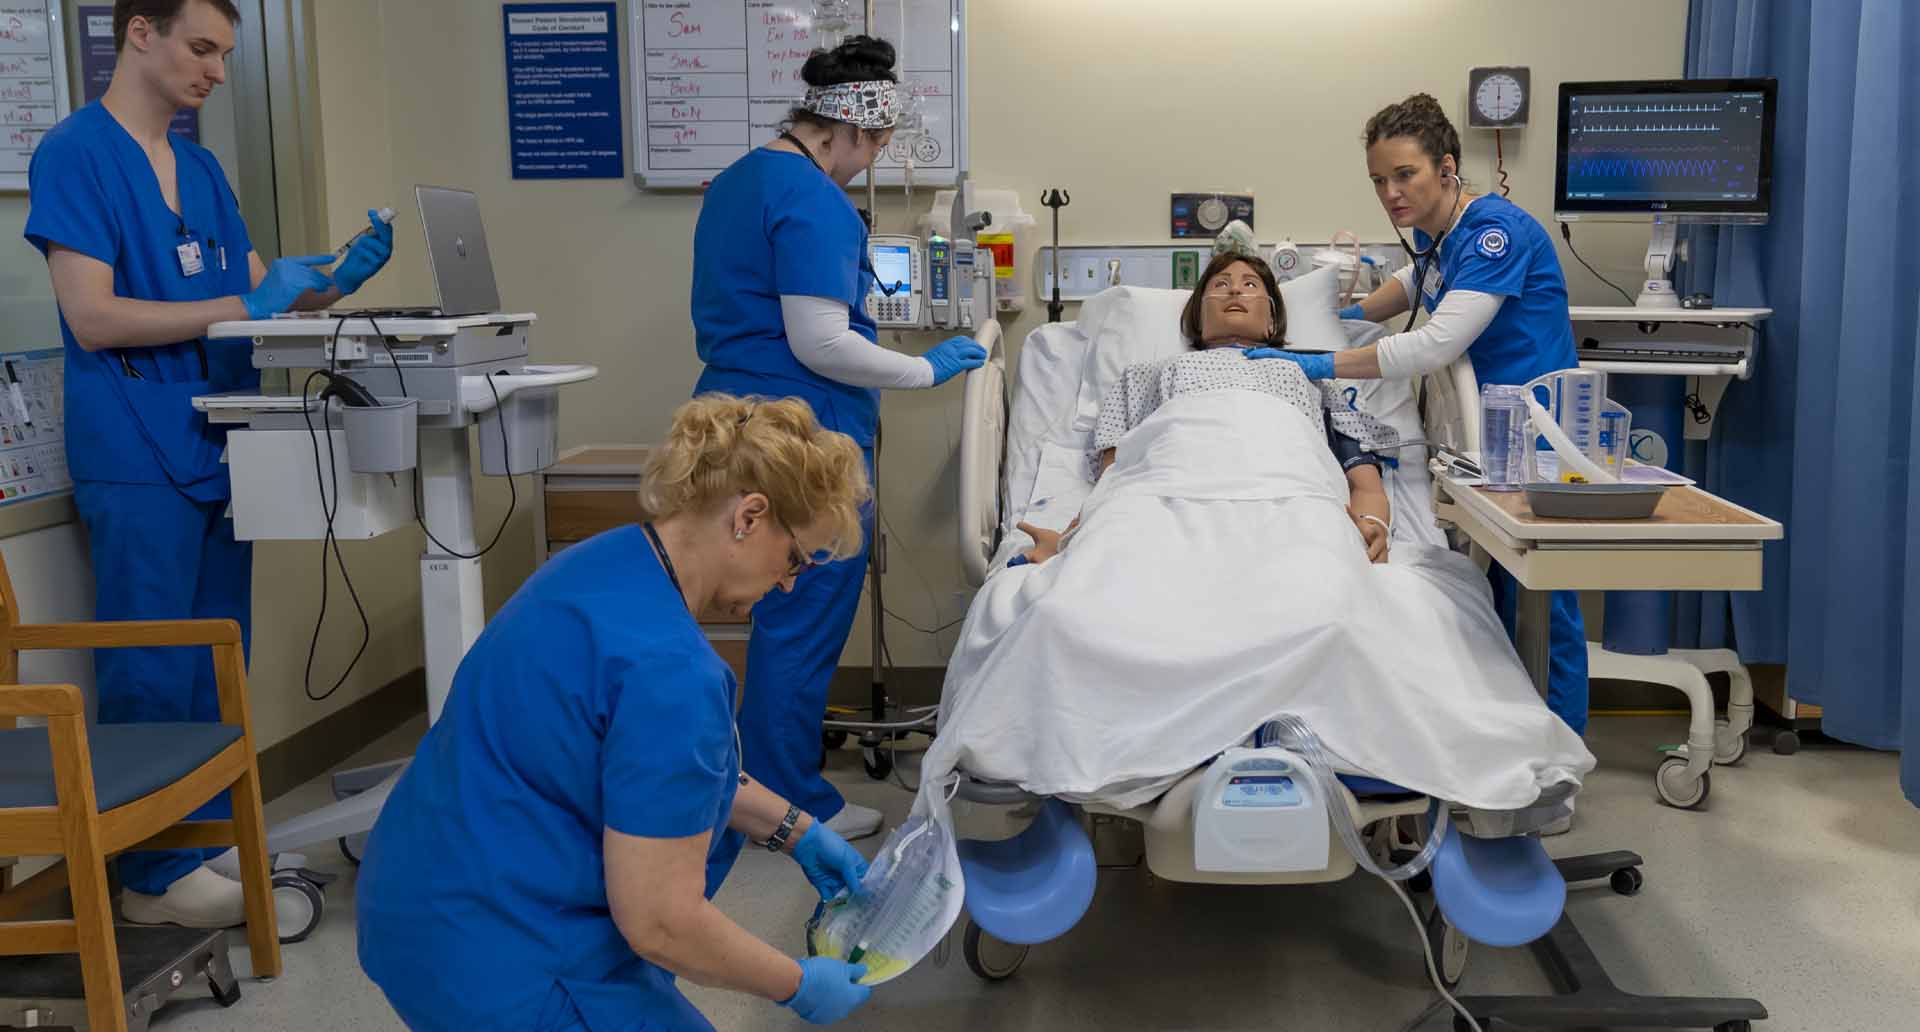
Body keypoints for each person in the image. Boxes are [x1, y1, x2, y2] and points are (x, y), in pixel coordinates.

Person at [23, 0, 393, 927]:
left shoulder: (200, 167)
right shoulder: (77, 153)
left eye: (226, 54)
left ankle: (205, 842)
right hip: (136, 446)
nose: (217, 72)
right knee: (154, 666)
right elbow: (94, 317)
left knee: (220, 657)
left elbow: (260, 298)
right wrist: (247, 297)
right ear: (138, 32)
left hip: (219, 440)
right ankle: (152, 881)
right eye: (202, 48)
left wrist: (337, 282)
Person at [358, 395, 879, 1031]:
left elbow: (642, 766)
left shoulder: (599, 562)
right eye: (796, 557)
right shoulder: (673, 674)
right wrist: (797, 984)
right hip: (503, 950)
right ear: (749, 516)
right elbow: (662, 923)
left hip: (414, 893)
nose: (791, 582)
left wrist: (795, 830)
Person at [689, 35, 986, 845]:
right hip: (798, 434)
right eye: (875, 146)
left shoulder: (738, 182)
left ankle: (742, 788)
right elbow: (820, 340)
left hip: (732, 418)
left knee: (766, 609)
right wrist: (926, 372)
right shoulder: (812, 198)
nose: (873, 162)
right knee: (802, 612)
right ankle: (789, 805)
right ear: (844, 131)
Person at [1248, 93, 1590, 746]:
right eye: (1379, 179)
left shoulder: (1497, 233)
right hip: (1484, 431)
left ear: (1447, 169)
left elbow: (1434, 345)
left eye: (1404, 174)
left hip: (1536, 431)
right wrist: (1337, 319)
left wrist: (1324, 361)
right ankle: (1517, 734)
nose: (1390, 192)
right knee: (1510, 593)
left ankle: (1562, 756)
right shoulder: (1444, 235)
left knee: (1546, 600)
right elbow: (1411, 283)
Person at [1021, 252, 1396, 568]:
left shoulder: (1314, 376)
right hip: (1166, 496)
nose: (1234, 288)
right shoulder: (1146, 375)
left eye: (1251, 285)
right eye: (1220, 285)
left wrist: (1372, 525)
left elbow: (1363, 481)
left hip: (1290, 494)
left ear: (1271, 322)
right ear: (1198, 318)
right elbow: (1115, 479)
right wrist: (1071, 542)